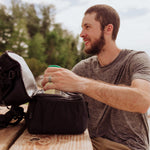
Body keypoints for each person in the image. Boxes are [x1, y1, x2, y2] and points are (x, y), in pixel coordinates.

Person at [41, 4, 150, 150]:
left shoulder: (136, 59)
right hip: (87, 142)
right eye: (82, 27)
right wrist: (50, 90)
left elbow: (142, 101)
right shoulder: (82, 68)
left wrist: (81, 84)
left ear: (108, 29)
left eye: (87, 27)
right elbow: (63, 109)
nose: (81, 34)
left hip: (126, 146)